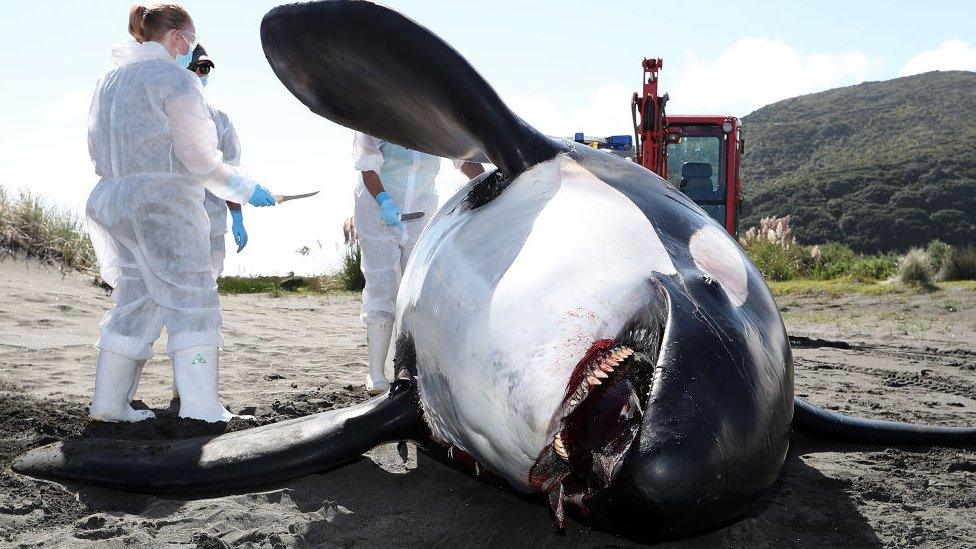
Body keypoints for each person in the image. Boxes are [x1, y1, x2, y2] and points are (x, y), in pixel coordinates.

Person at [86, 3, 277, 423]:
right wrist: (247, 189)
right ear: (177, 38)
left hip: (113, 201)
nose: (191, 52)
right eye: (190, 42)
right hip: (163, 204)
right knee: (193, 301)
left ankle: (109, 406)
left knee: (134, 300)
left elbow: (98, 147)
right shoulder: (174, 79)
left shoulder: (110, 79)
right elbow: (201, 160)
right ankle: (201, 407)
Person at [352, 132, 484, 394]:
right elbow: (367, 166)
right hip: (379, 211)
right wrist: (384, 201)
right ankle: (376, 373)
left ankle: (406, 367)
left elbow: (463, 158)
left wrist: (487, 181)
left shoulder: (431, 119)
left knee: (416, 290)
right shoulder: (375, 116)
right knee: (383, 286)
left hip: (420, 212)